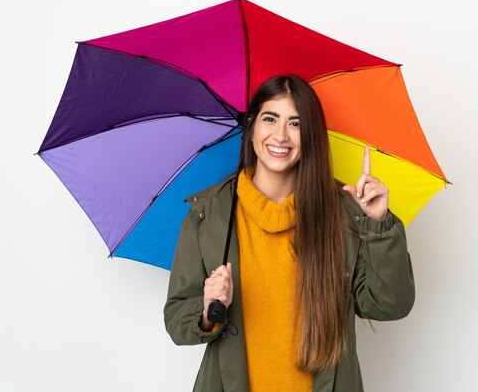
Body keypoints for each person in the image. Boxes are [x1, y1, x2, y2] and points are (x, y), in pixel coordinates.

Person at [164, 74, 415, 392]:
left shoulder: (344, 211)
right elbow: (176, 320)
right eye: (270, 119)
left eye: (295, 124)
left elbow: (390, 305)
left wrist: (378, 224)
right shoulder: (207, 214)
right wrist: (206, 308)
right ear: (252, 126)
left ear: (310, 135)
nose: (280, 135)